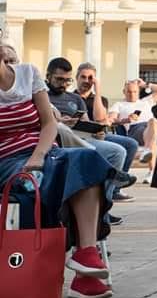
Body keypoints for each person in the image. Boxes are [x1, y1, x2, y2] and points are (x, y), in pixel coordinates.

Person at [0, 48, 116, 298]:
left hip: (45, 152)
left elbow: (49, 122)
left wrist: (38, 155)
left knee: (85, 160)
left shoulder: (27, 73)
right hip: (7, 161)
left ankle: (86, 255)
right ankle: (84, 275)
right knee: (53, 180)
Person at [45, 58, 137, 206]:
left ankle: (105, 205)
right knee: (64, 130)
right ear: (48, 77)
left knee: (118, 151)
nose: (63, 84)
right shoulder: (42, 96)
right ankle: (109, 171)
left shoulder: (75, 98)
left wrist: (95, 131)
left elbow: (87, 123)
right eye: (59, 79)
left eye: (67, 80)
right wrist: (60, 121)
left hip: (82, 137)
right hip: (57, 138)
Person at [74, 62, 140, 204]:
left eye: (90, 78)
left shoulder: (100, 99)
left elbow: (100, 119)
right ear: (76, 78)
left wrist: (97, 91)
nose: (86, 81)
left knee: (131, 144)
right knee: (117, 149)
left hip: (101, 135)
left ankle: (115, 189)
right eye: (83, 77)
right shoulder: (71, 97)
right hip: (81, 136)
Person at [108, 78, 157, 174]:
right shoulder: (119, 105)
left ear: (138, 92)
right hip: (135, 129)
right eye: (129, 92)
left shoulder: (146, 101)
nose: (132, 94)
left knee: (154, 123)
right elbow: (111, 120)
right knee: (153, 134)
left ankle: (147, 152)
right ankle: (152, 172)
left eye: (135, 92)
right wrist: (126, 120)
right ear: (124, 92)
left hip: (153, 128)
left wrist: (145, 84)